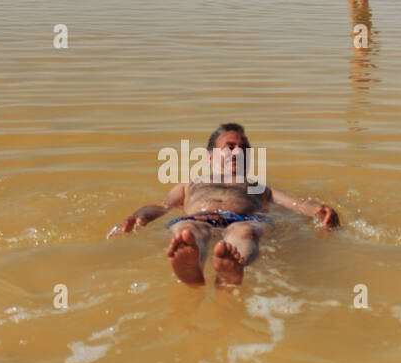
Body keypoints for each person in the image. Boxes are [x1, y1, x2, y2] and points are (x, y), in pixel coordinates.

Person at [107, 123, 339, 287]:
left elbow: (293, 203)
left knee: (245, 232)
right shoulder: (190, 184)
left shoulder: (258, 186)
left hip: (246, 220)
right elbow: (162, 206)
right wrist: (139, 217)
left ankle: (232, 267)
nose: (237, 151)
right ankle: (192, 266)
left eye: (243, 149)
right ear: (210, 157)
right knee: (188, 231)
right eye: (229, 147)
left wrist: (318, 210)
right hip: (198, 219)